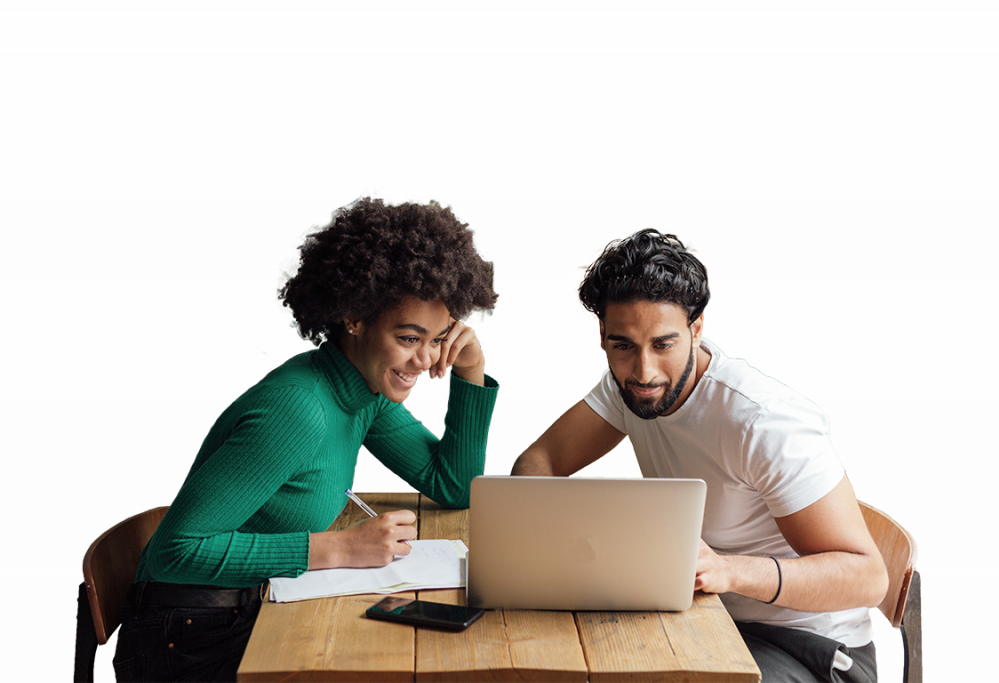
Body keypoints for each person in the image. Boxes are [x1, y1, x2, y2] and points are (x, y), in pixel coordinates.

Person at [112, 194, 501, 683]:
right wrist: (339, 548)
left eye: (437, 339)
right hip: (189, 638)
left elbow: (453, 486)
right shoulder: (298, 411)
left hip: (253, 607)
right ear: (355, 317)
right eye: (408, 338)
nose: (425, 361)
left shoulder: (362, 390)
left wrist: (471, 371)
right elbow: (176, 551)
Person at [511, 226, 887, 683]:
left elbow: (868, 577)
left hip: (810, 648)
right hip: (703, 620)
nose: (644, 371)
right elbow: (542, 459)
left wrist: (728, 572)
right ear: (604, 338)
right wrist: (537, 534)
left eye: (663, 345)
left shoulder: (763, 421)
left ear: (697, 328)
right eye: (622, 346)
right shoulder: (624, 385)